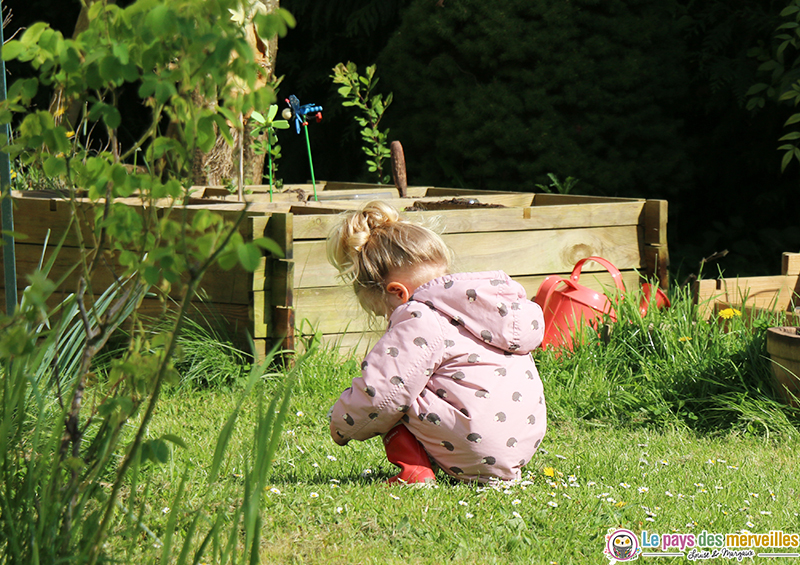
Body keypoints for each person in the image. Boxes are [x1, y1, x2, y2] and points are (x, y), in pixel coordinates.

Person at [326, 201, 547, 484]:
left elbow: (381, 394)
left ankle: (415, 471)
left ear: (397, 293)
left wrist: (342, 423)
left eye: (384, 312)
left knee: (397, 387)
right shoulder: (482, 308)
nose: (388, 319)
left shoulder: (419, 313)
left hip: (475, 447)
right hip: (521, 442)